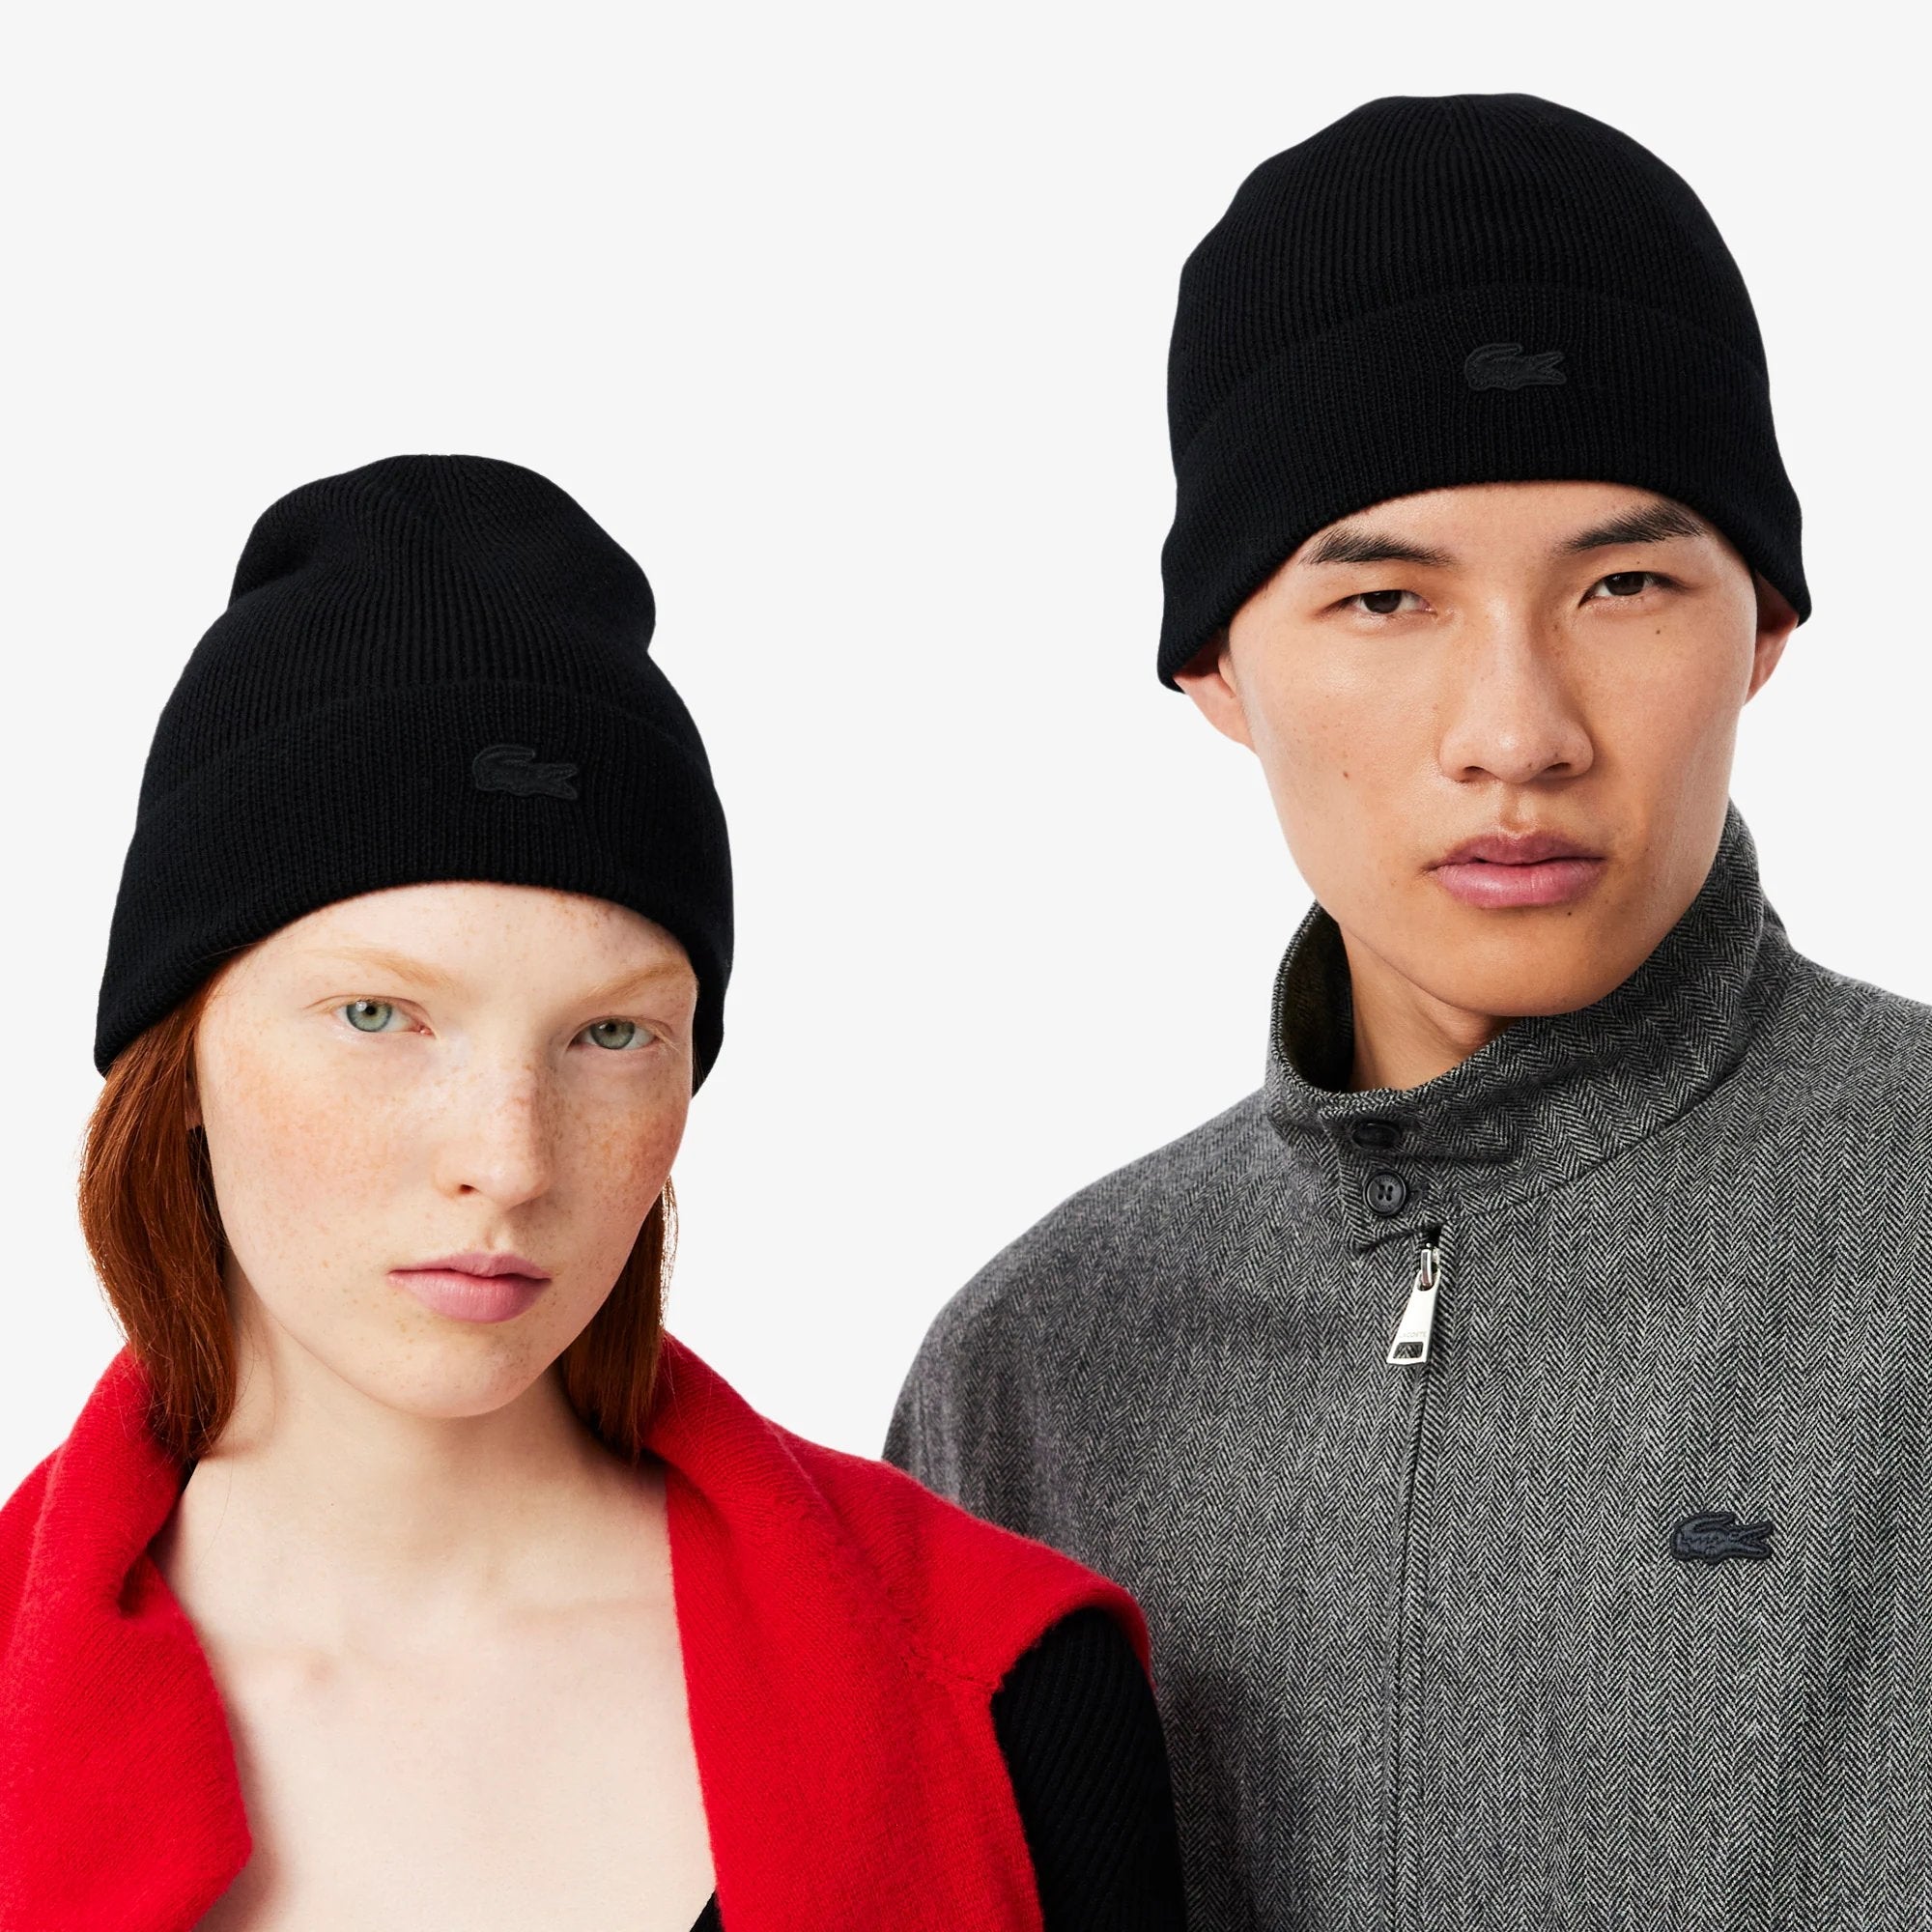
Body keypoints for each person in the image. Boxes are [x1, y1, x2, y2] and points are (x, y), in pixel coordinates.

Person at [887, 93, 1932, 1930]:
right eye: (1384, 598)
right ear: (1217, 665)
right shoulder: (1033, 1371)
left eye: (1624, 585)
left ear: (1765, 627)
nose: (1518, 732)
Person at [0, 456, 1188, 1931]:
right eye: (379, 1015)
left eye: (611, 1035)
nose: (511, 1160)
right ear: (178, 1057)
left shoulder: (1013, 1689)